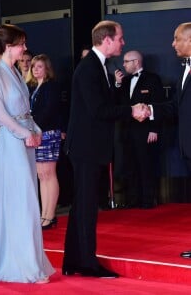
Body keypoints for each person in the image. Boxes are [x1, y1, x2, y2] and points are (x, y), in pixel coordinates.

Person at [62, 20, 148, 278]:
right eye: (120, 38)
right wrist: (131, 111)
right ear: (107, 39)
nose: (123, 42)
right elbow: (99, 110)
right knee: (86, 207)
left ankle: (74, 261)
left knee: (82, 206)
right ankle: (86, 263)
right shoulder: (90, 69)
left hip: (90, 147)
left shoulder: (98, 67)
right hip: (86, 148)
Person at [0, 24, 55, 283]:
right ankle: (19, 264)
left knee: (28, 200)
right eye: (21, 43)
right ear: (9, 46)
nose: (25, 48)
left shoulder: (17, 73)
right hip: (12, 143)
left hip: (25, 140)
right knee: (21, 199)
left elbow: (25, 111)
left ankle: (28, 259)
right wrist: (24, 133)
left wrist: (36, 129)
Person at [135, 23, 191, 258]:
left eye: (176, 38)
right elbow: (177, 106)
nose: (172, 43)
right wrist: (150, 110)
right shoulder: (184, 69)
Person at [114, 50, 165, 208]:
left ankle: (148, 200)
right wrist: (117, 84)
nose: (123, 64)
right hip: (127, 130)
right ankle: (133, 199)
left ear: (136, 62)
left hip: (145, 130)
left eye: (126, 61)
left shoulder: (152, 79)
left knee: (145, 164)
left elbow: (158, 105)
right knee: (130, 165)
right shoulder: (125, 81)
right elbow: (117, 104)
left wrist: (154, 129)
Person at [26, 54, 62, 230]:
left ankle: (50, 215)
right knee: (41, 175)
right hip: (37, 133)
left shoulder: (51, 86)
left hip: (48, 133)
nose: (35, 70)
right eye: (34, 67)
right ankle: (44, 215)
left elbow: (48, 110)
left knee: (49, 173)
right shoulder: (32, 87)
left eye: (39, 66)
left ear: (47, 68)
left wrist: (34, 127)